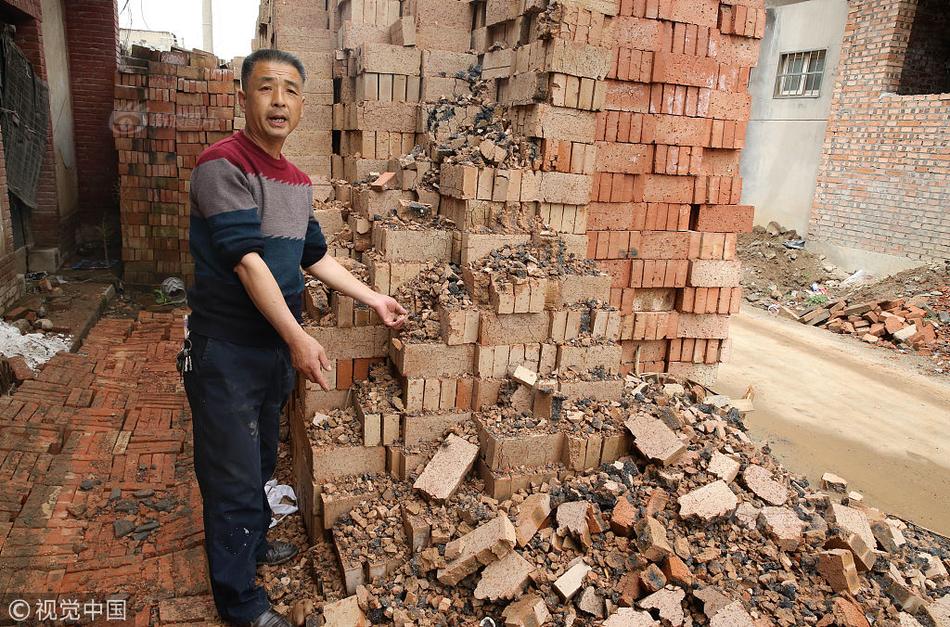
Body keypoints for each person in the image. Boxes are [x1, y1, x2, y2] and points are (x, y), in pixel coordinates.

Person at [183, 48, 406, 627]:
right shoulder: (221, 165)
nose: (278, 101)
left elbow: (316, 258)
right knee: (231, 478)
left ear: (303, 104)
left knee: (259, 462)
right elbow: (249, 263)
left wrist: (373, 297)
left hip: (268, 354)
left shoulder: (297, 181)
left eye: (290, 90)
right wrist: (299, 337)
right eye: (265, 88)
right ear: (243, 97)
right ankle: (241, 604)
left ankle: (252, 551)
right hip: (226, 350)